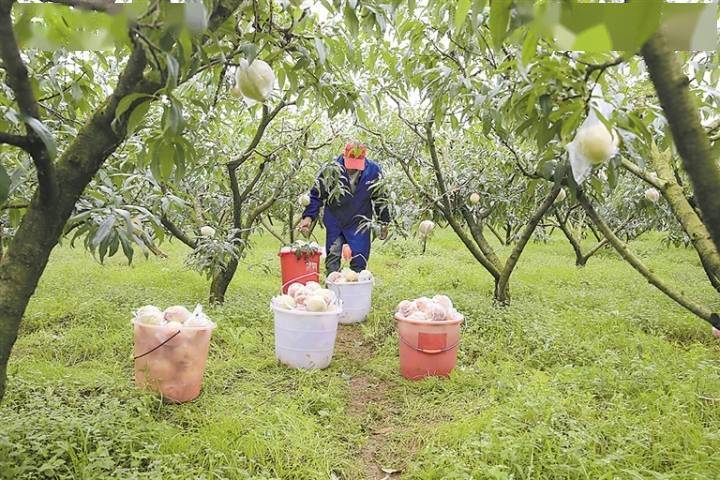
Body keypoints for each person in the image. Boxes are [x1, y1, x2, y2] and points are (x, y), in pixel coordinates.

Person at [297, 142, 390, 273]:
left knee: (360, 259)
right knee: (333, 258)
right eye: (350, 163)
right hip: (336, 220)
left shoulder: (374, 171)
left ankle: (355, 290)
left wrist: (383, 222)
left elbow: (381, 198)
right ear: (343, 155)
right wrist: (308, 217)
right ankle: (333, 289)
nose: (352, 168)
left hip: (359, 222)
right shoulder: (330, 170)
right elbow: (316, 195)